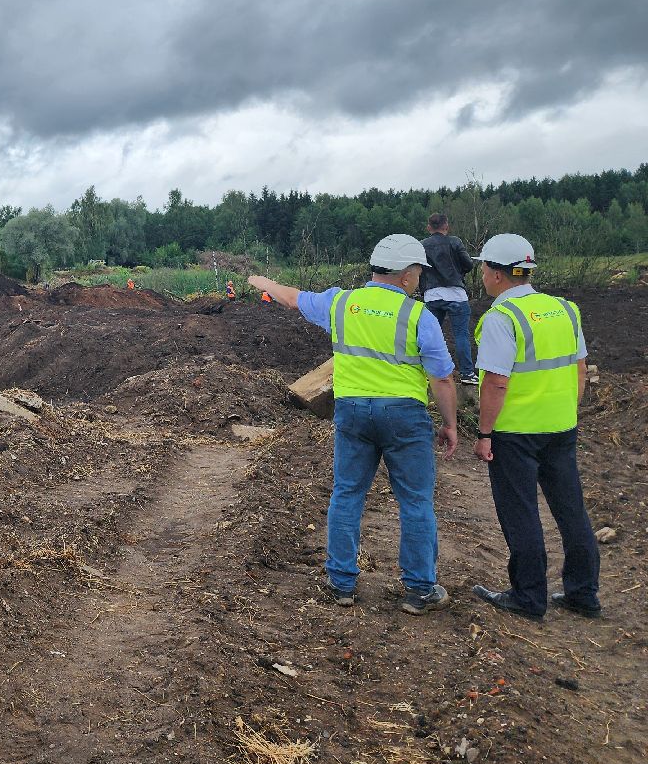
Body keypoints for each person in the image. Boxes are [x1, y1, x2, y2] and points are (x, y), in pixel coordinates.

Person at [250, 234, 459, 615]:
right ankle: (419, 589)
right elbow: (442, 377)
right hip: (404, 415)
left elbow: (294, 298)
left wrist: (265, 283)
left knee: (347, 494)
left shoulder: (342, 303)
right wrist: (450, 424)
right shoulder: (418, 316)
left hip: (352, 412)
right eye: (418, 273)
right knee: (415, 501)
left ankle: (341, 583)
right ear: (407, 275)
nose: (419, 280)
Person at [469, 233, 600, 621]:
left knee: (520, 512)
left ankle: (528, 597)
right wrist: (566, 412)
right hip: (561, 426)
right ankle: (583, 593)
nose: (482, 275)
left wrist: (484, 433)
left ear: (496, 274)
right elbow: (579, 368)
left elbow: (496, 382)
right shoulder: (565, 309)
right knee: (571, 509)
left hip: (515, 432)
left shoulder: (501, 318)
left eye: (484, 268)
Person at [421, 213, 477, 384]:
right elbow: (468, 264)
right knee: (461, 335)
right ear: (446, 226)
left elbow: (419, 268)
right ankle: (467, 374)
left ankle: (428, 374)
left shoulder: (422, 245)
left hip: (432, 295)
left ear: (429, 227)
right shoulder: (455, 242)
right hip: (456, 294)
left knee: (430, 336)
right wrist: (458, 273)